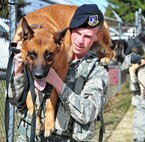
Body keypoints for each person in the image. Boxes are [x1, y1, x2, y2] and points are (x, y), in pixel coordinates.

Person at [7, 4, 108, 142]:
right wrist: (18, 71)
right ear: (69, 31)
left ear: (97, 37)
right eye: (77, 33)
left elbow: (87, 114)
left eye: (87, 36)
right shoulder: (37, 53)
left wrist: (58, 84)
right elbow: (14, 100)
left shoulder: (96, 71)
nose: (80, 41)